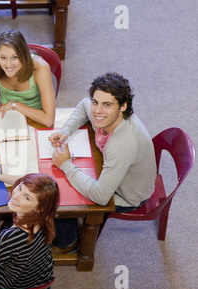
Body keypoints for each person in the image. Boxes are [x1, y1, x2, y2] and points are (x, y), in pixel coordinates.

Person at [49, 72, 157, 251]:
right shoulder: (105, 115)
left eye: (107, 105)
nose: (97, 111)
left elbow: (100, 196)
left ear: (123, 106)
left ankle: (67, 241)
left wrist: (66, 165)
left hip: (126, 195)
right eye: (95, 102)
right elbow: (83, 106)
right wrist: (66, 131)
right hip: (111, 170)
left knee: (60, 194)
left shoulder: (122, 144)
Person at [0, 167, 58, 289]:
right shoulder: (47, 217)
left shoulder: (11, 236)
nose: (16, 195)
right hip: (39, 281)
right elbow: (28, 186)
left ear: (38, 208)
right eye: (20, 188)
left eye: (26, 197)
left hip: (10, 287)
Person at [0, 30, 56, 127]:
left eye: (14, 57)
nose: (8, 64)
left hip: (34, 117)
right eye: (3, 57)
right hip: (6, 113)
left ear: (24, 55)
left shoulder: (40, 67)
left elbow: (48, 120)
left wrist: (14, 105)